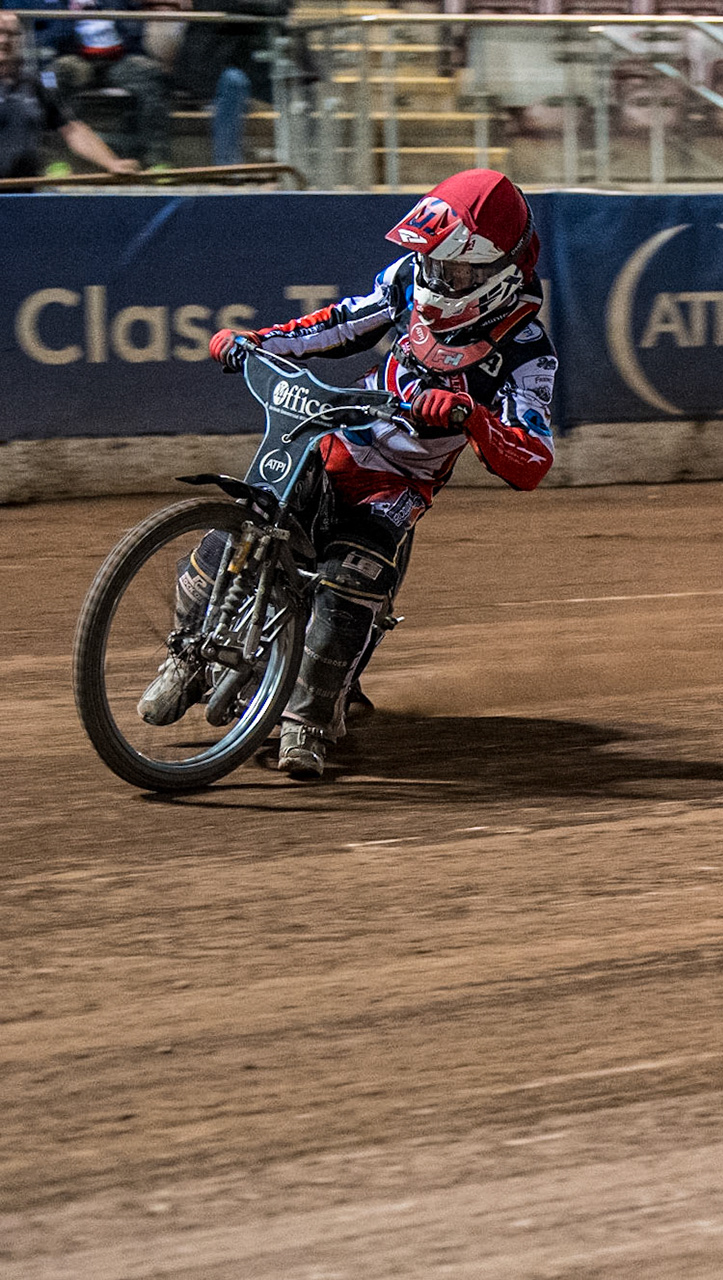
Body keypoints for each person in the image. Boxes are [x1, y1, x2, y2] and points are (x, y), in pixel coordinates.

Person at [137, 169, 558, 779]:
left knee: (345, 583)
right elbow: (339, 323)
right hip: (333, 433)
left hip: (397, 483)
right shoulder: (408, 280)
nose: (437, 280)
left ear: (499, 271)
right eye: (432, 264)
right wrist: (259, 341)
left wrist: (471, 416)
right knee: (229, 538)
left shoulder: (526, 350)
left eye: (456, 272)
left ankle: (309, 719)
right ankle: (189, 657)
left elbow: (532, 458)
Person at [0, 9, 137, 177]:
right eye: (0, 32)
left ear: (21, 39)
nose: (4, 40)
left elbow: (72, 130)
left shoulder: (35, 84)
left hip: (24, 192)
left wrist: (111, 162)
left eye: (11, 34)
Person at [39, 0, 173, 168]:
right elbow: (48, 36)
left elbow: (135, 29)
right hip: (76, 60)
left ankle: (157, 161)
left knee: (151, 75)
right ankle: (57, 160)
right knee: (49, 79)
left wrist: (103, 8)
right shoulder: (57, 2)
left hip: (117, 60)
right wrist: (72, 14)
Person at [171, 0, 286, 167]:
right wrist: (266, 8)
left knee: (296, 83)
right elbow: (219, 6)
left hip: (251, 68)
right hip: (206, 74)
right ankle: (228, 166)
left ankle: (295, 162)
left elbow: (282, 7)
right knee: (234, 82)